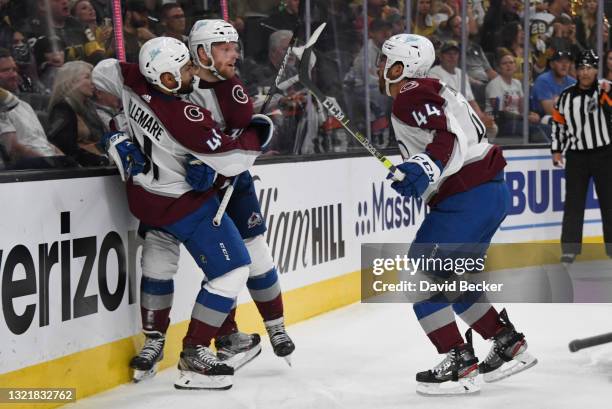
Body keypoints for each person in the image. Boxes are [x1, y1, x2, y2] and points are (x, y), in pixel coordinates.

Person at [92, 37, 270, 390]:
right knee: (233, 269)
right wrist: (259, 131)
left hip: (145, 199)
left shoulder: (132, 78)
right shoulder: (184, 115)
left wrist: (117, 129)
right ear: (168, 79)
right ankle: (195, 351)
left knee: (157, 267)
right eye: (186, 69)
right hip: (182, 204)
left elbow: (100, 74)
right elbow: (234, 160)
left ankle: (153, 342)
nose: (192, 73)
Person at [377, 33, 537, 395]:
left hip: (465, 196)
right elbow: (448, 139)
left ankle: (459, 362)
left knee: (419, 277)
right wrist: (420, 171)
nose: (380, 67)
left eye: (386, 60)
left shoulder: (409, 92)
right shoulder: (434, 87)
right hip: (489, 192)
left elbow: (447, 140)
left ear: (404, 65)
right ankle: (506, 342)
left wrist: (425, 167)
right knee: (452, 278)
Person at [551, 50, 612, 264]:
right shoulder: (566, 96)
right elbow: (558, 124)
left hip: (604, 154)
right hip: (576, 155)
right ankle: (570, 249)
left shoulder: (604, 90)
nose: (585, 72)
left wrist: (607, 94)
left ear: (596, 70)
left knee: (609, 202)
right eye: (581, 68)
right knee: (573, 203)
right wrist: (556, 150)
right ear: (576, 71)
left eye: (589, 68)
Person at [0, 48, 74, 169]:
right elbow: (13, 149)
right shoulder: (2, 109)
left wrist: (64, 160)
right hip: (32, 172)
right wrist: (50, 163)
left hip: (50, 163)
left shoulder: (24, 105)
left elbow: (42, 141)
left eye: (14, 69)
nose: (13, 74)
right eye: (5, 70)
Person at [428, 40, 497, 137]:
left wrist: (481, 117)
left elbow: (471, 100)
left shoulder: (461, 73)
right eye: (448, 54)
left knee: (492, 127)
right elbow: (441, 103)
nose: (452, 57)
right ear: (441, 56)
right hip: (446, 116)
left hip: (463, 116)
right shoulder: (434, 73)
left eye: (455, 53)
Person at [48, 60, 109, 166]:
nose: (93, 82)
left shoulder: (90, 108)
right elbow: (67, 150)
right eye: (87, 77)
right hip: (82, 172)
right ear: (71, 81)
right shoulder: (62, 109)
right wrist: (100, 160)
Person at [530, 50, 576, 127]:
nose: (564, 65)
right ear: (552, 64)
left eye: (567, 62)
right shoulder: (543, 80)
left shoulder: (572, 82)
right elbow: (550, 111)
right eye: (560, 62)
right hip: (542, 121)